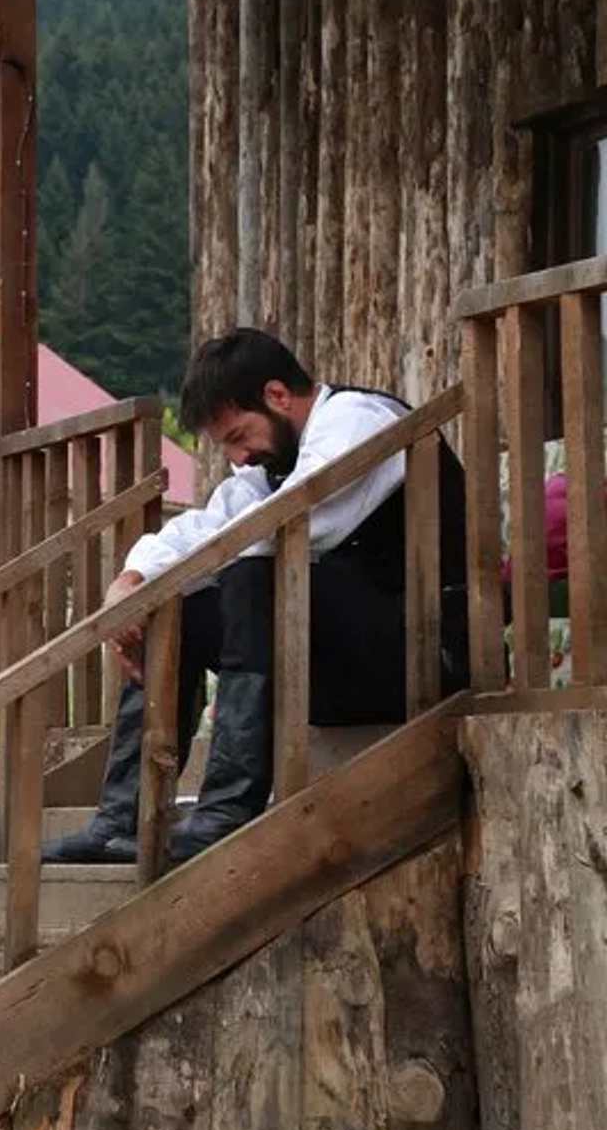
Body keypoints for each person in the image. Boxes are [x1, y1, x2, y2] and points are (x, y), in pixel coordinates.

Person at [43, 329, 467, 866]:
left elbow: (286, 525)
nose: (240, 458)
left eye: (239, 435)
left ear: (277, 396)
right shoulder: (273, 464)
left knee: (252, 569)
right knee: (177, 609)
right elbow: (209, 524)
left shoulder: (358, 422)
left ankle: (226, 811)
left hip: (427, 654)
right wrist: (134, 584)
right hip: (351, 663)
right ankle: (119, 819)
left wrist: (165, 578)